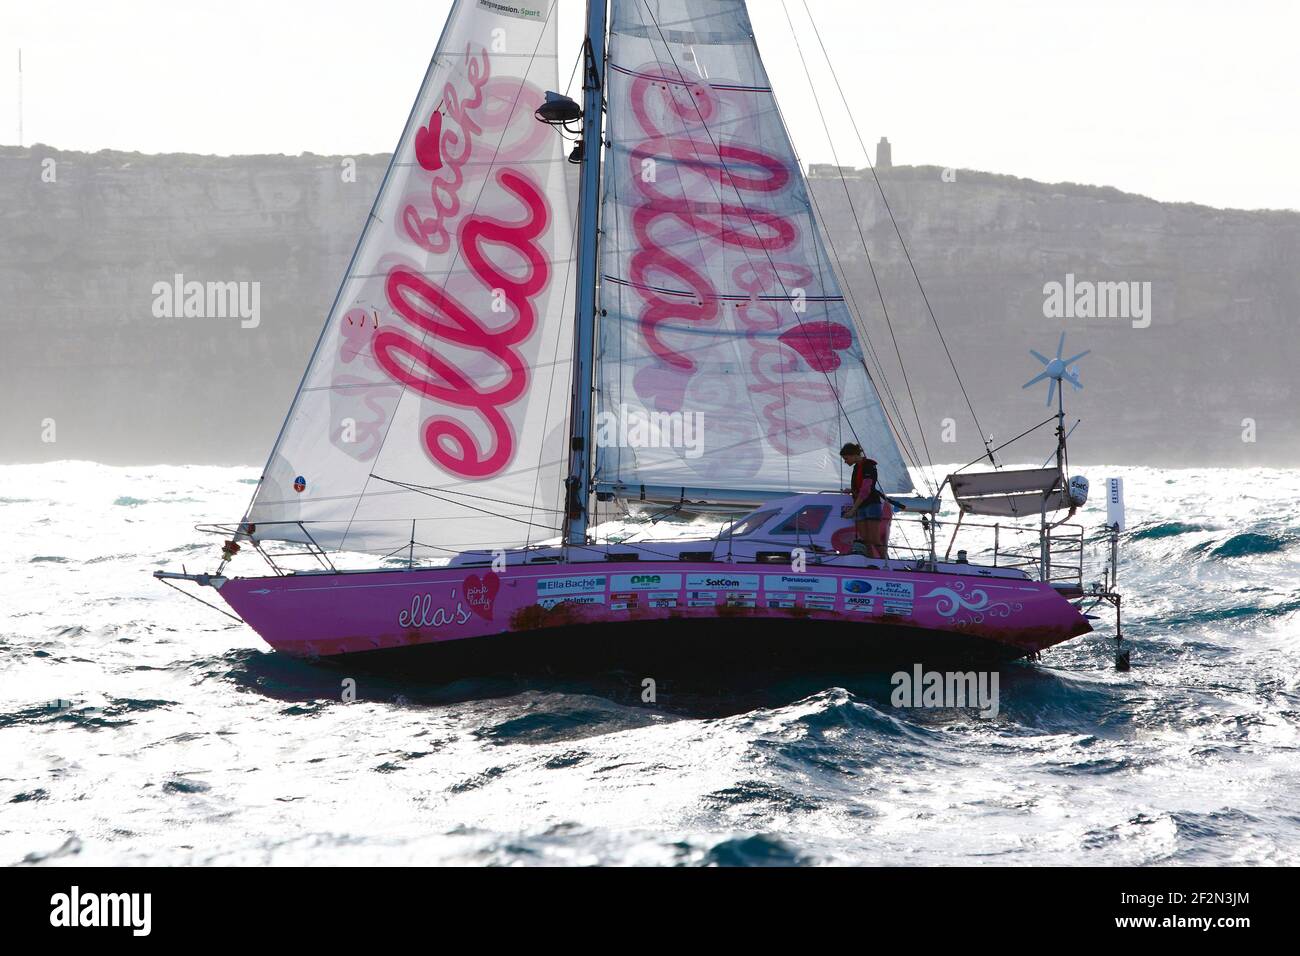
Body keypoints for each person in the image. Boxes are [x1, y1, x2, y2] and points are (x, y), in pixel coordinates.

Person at [839, 442, 892, 559]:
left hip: (871, 505)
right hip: (861, 506)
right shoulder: (856, 467)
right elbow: (860, 487)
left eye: (846, 458)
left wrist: (853, 509)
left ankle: (887, 562)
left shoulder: (868, 465)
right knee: (865, 539)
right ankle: (871, 562)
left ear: (853, 455)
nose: (845, 461)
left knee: (874, 538)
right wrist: (852, 490)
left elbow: (866, 489)